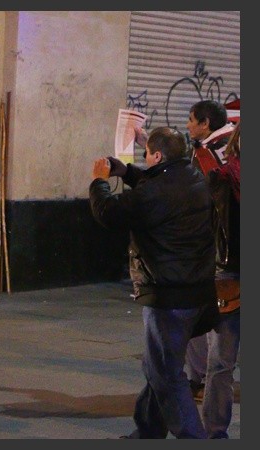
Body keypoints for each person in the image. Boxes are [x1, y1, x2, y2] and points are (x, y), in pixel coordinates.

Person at [91, 127, 219, 439]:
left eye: (147, 154)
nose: (147, 159)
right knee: (159, 364)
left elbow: (109, 213)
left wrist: (98, 182)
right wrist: (127, 171)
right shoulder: (192, 177)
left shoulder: (156, 192)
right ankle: (148, 430)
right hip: (198, 289)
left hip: (169, 295)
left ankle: (193, 437)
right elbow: (159, 186)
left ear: (157, 155)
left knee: (166, 374)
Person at [189, 121, 241, 439]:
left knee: (220, 361)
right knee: (221, 361)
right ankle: (215, 432)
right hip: (229, 275)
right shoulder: (220, 179)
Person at [183, 100, 236, 401]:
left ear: (205, 123)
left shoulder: (206, 155)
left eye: (191, 120)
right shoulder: (233, 146)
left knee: (198, 314)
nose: (188, 126)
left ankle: (199, 380)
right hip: (233, 249)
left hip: (214, 250)